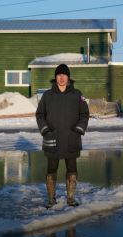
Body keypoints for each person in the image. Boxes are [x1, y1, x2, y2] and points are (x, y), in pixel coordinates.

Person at [36, 64, 89, 208]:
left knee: (72, 168)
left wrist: (79, 130)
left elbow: (84, 114)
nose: (61, 77)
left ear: (68, 77)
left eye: (64, 75)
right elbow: (40, 115)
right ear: (55, 77)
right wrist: (45, 130)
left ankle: (70, 198)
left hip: (71, 138)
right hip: (52, 138)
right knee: (51, 169)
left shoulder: (77, 95)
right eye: (59, 75)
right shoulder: (47, 95)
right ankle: (51, 199)